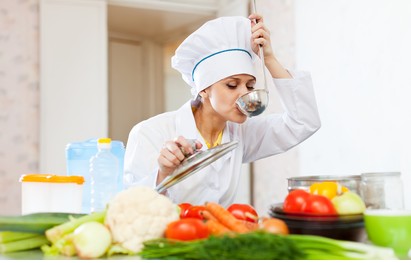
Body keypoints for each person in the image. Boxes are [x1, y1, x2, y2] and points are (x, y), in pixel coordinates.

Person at [123, 14, 321, 207]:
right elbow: (130, 206)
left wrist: (268, 58)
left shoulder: (241, 133)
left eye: (250, 87)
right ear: (204, 90)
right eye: (232, 85)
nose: (244, 94)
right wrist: (163, 173)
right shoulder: (150, 132)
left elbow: (303, 122)